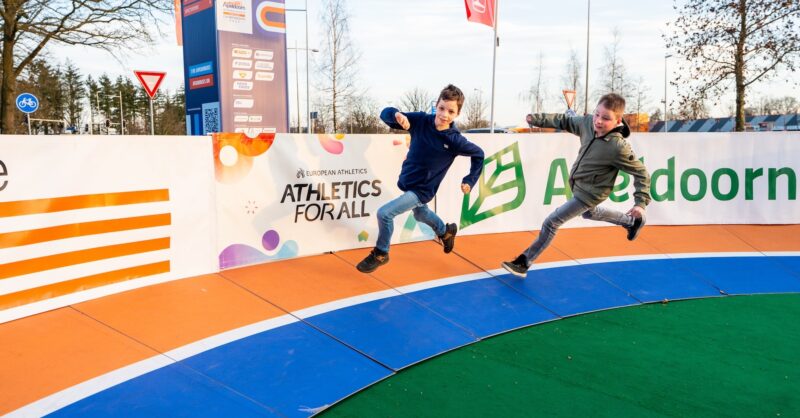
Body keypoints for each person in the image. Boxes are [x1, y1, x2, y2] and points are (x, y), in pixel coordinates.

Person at [502, 93, 651, 278]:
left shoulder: (618, 147)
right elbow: (565, 120)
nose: (598, 121)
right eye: (597, 114)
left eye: (606, 118)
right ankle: (631, 222)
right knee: (590, 213)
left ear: (618, 120)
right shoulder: (587, 124)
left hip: (591, 194)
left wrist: (640, 203)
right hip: (579, 186)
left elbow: (642, 173)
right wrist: (538, 119)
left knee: (552, 222)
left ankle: (524, 262)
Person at [357, 84, 485, 273]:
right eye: (441, 108)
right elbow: (385, 114)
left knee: (384, 214)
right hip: (408, 181)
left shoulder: (454, 140)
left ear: (457, 114)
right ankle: (445, 232)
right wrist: (396, 115)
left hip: (422, 190)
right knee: (420, 214)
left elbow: (479, 154)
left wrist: (470, 180)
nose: (444, 115)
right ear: (436, 105)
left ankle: (381, 253)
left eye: (451, 111)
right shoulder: (421, 120)